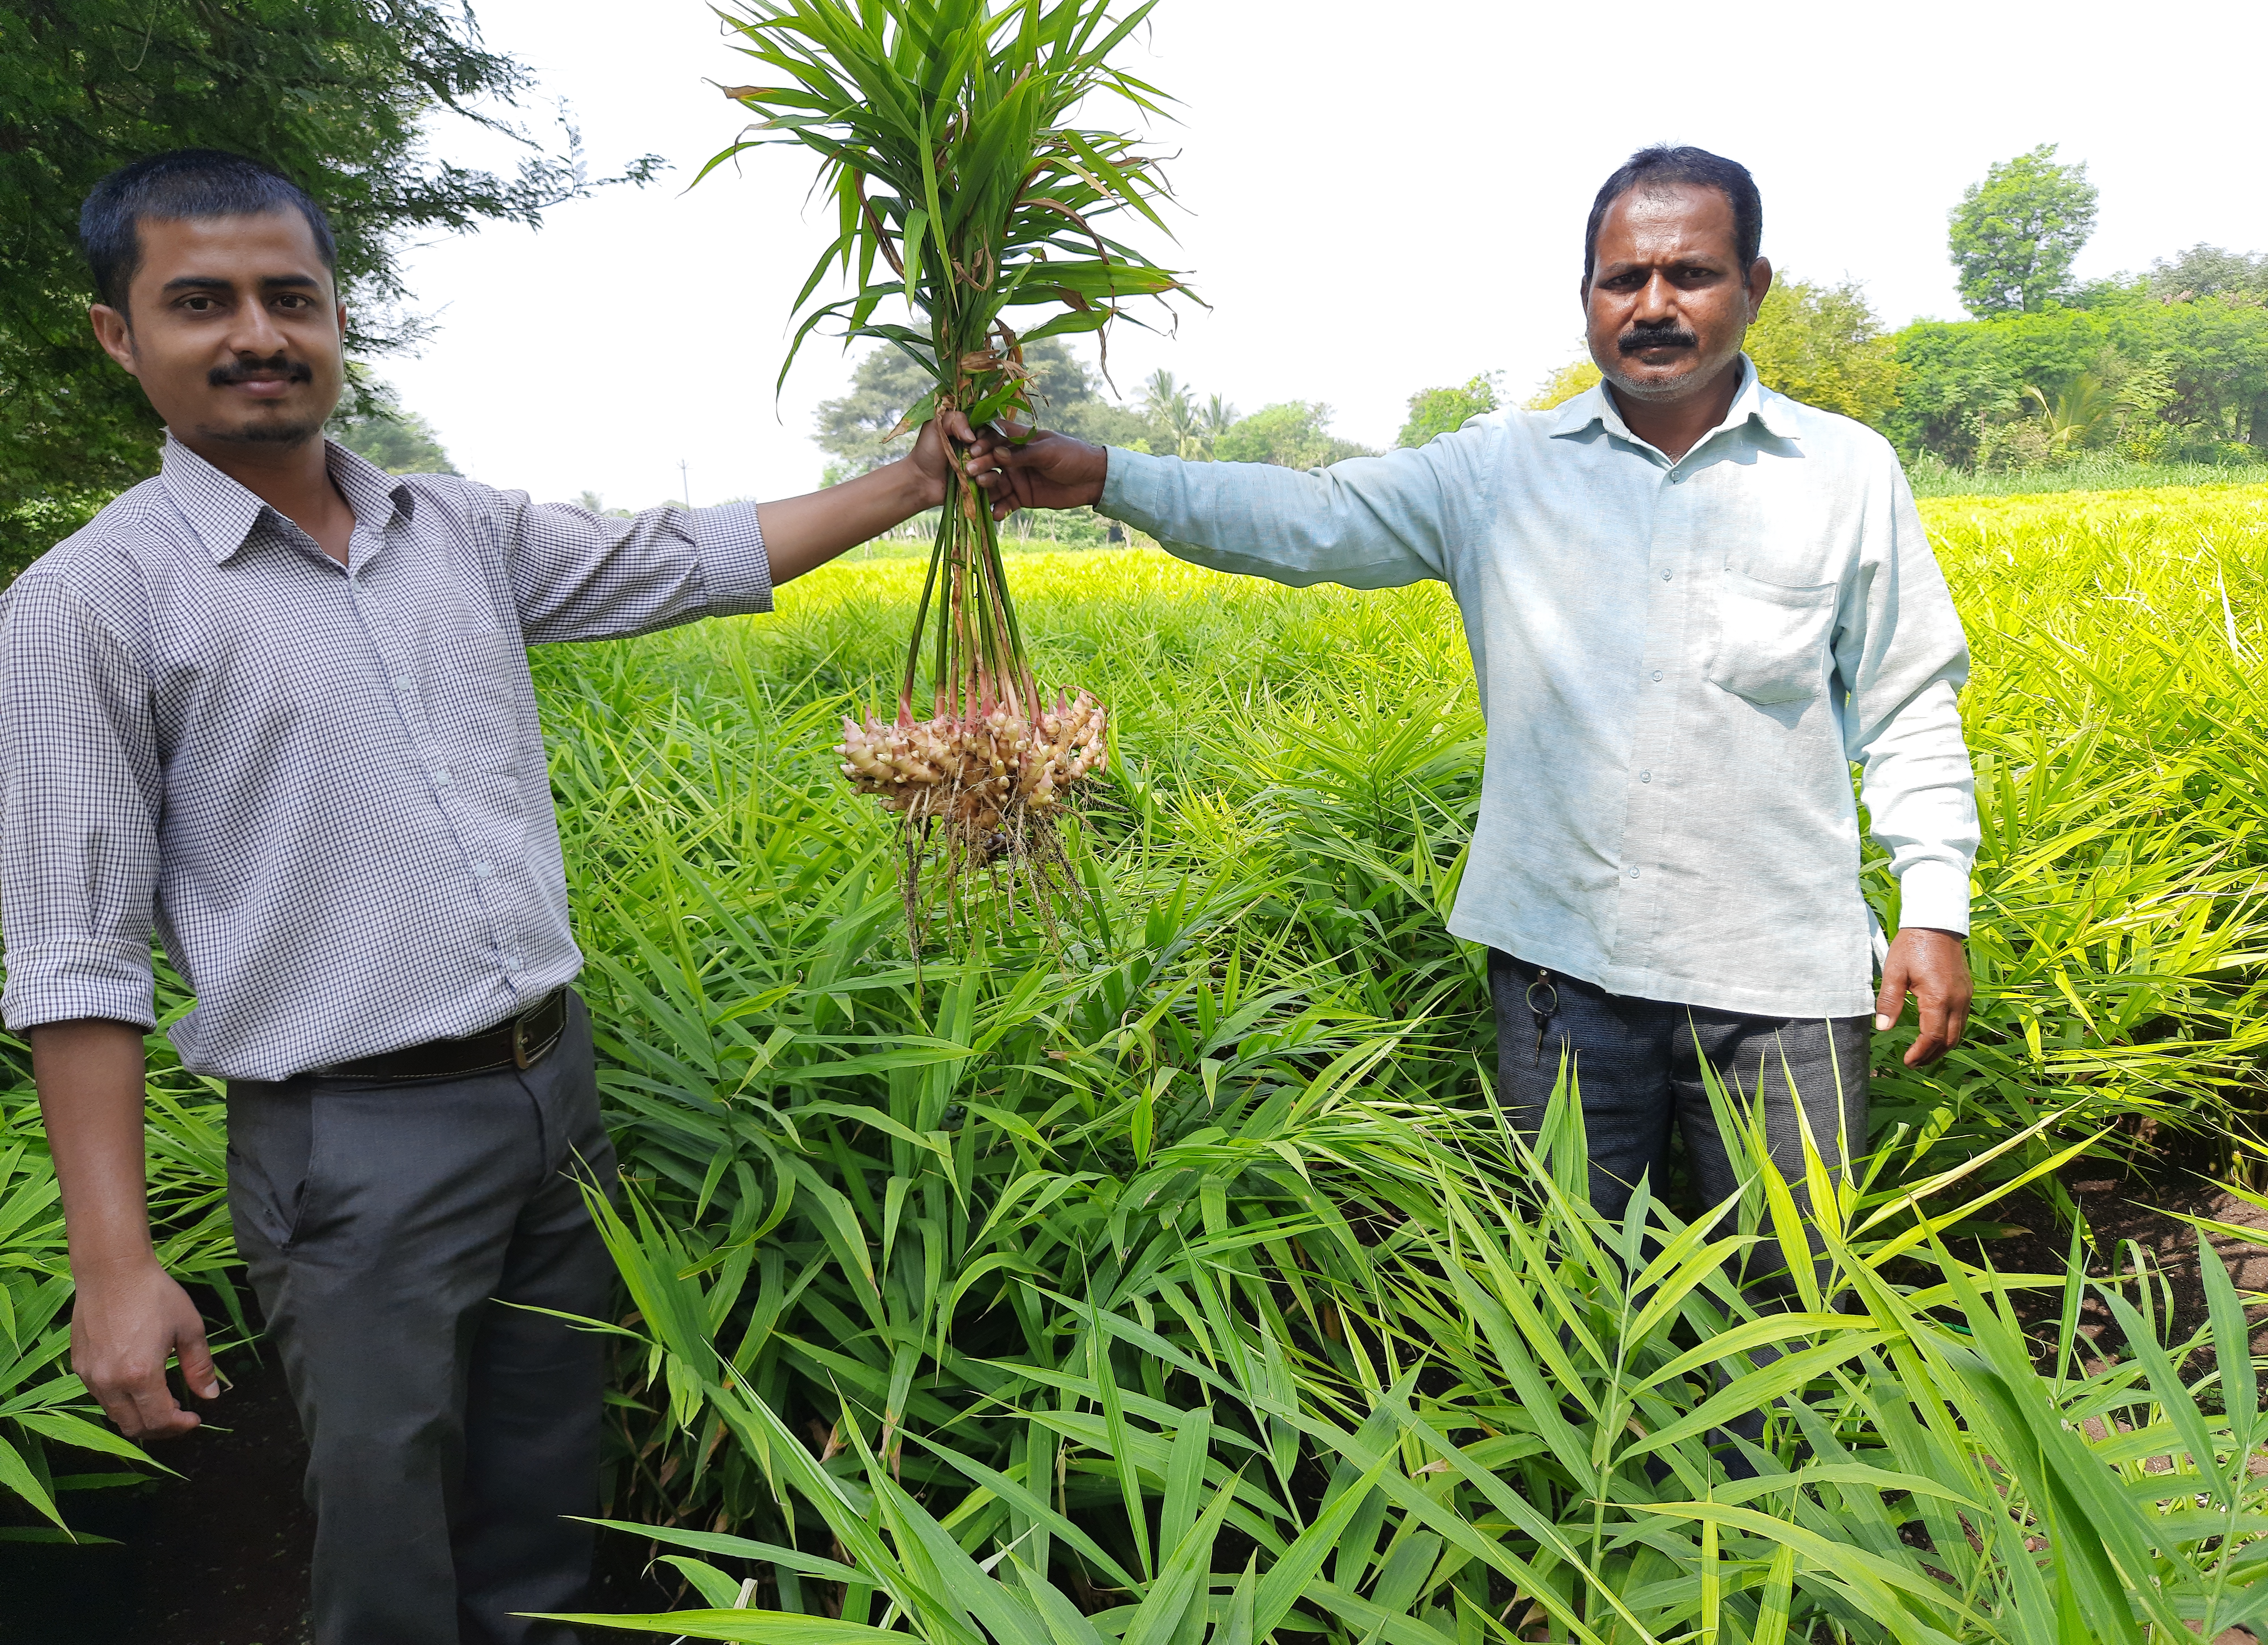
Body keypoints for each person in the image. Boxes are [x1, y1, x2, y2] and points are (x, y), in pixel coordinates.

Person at [0, 149, 954, 1645]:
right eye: (201, 302)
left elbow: (687, 560)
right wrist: (114, 1268)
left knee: (547, 1477)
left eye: (289, 296)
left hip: (548, 1094)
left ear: (332, 319)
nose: (257, 332)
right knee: (388, 1511)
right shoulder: (87, 604)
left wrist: (917, 479)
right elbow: (75, 959)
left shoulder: (452, 531)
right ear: (121, 334)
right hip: (348, 1143)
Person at [965, 144, 1978, 1233]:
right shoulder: (1502, 469)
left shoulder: (1845, 472)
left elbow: (1909, 699)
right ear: (1585, 295)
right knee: (1573, 1279)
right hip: (1564, 973)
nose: (1652, 305)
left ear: (1755, 287)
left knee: (1795, 1285)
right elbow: (1310, 517)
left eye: (1691, 275)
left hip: (1781, 984)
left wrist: (1935, 906)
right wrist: (1109, 477)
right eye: (1620, 279)